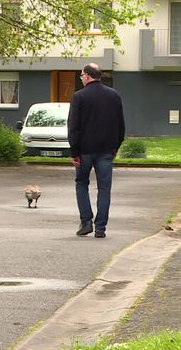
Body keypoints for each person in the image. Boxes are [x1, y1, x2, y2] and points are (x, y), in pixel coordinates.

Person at [67, 63, 125, 238]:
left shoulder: (79, 97)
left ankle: (86, 222)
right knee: (104, 188)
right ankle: (100, 228)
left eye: (81, 76)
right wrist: (116, 147)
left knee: (82, 184)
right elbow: (120, 125)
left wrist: (74, 152)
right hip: (106, 151)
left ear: (87, 76)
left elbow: (74, 127)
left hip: (84, 151)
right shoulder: (114, 96)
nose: (81, 79)